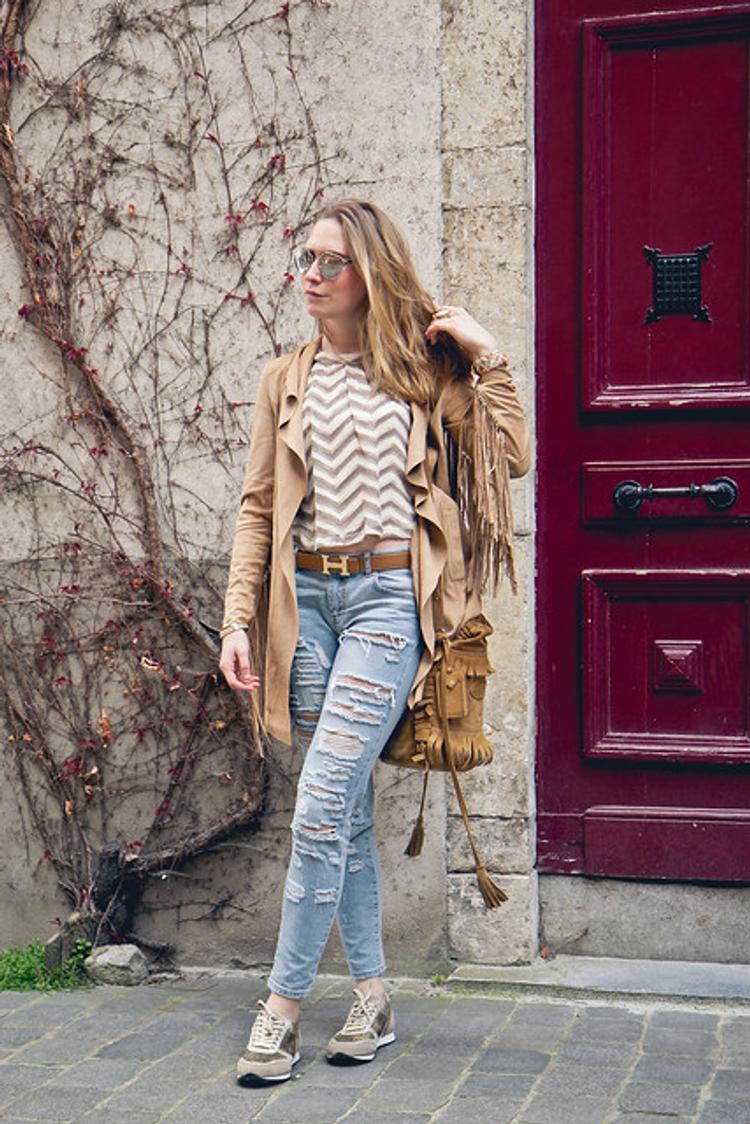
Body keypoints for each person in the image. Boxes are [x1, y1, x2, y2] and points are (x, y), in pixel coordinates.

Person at [219, 197, 531, 1086]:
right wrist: (238, 619)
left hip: (388, 602)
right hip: (306, 606)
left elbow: (511, 455)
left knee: (318, 806)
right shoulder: (285, 379)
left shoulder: (424, 372)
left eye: (331, 261)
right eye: (305, 258)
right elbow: (259, 508)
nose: (310, 275)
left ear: (372, 273)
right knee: (345, 810)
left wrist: (485, 353)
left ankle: (280, 1010)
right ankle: (372, 998)